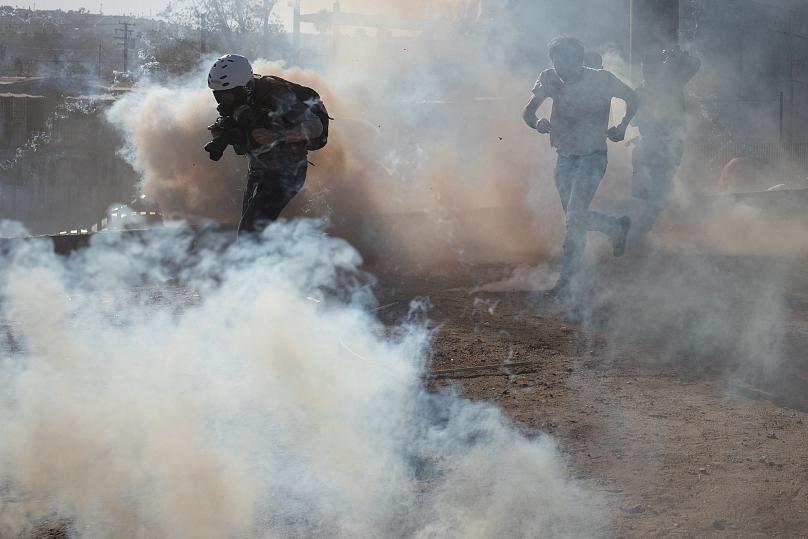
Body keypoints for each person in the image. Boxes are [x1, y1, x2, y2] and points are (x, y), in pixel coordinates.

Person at [522, 36, 638, 299]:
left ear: (579, 60)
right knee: (574, 222)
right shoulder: (549, 78)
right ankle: (614, 228)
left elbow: (633, 98)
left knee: (575, 217)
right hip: (564, 157)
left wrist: (622, 126)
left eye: (565, 61)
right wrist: (537, 122)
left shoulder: (602, 79)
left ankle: (566, 282)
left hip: (593, 156)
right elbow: (527, 112)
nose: (560, 67)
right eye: (556, 61)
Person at [205, 54, 329, 237]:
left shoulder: (277, 94)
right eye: (219, 96)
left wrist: (277, 136)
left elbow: (314, 127)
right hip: (259, 169)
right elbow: (248, 142)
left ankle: (267, 264)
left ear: (245, 87)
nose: (224, 101)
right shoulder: (239, 103)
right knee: (248, 232)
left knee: (249, 234)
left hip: (287, 171)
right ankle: (275, 262)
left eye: (229, 95)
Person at [631, 47, 700, 244]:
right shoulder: (639, 91)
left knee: (658, 194)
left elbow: (695, 64)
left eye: (651, 69)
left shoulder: (673, 85)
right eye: (645, 69)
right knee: (641, 195)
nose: (647, 72)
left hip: (669, 148)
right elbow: (634, 120)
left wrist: (678, 55)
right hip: (646, 146)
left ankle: (641, 233)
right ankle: (639, 231)